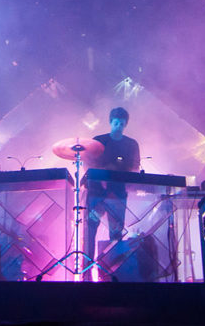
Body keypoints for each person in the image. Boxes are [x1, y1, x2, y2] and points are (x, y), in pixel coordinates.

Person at [83, 106, 140, 279]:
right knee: (90, 231)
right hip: (96, 195)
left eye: (122, 124)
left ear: (126, 125)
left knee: (115, 233)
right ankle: (86, 273)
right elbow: (87, 164)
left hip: (117, 195)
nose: (118, 127)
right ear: (110, 122)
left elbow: (135, 168)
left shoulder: (131, 144)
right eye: (116, 123)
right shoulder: (97, 142)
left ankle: (112, 274)